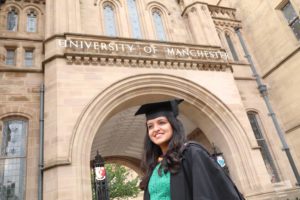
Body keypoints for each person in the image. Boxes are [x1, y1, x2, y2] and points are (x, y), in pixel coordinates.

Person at [135, 99, 245, 200]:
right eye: (150, 126)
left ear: (173, 125)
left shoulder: (191, 153)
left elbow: (207, 194)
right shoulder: (155, 165)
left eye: (161, 123)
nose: (156, 129)